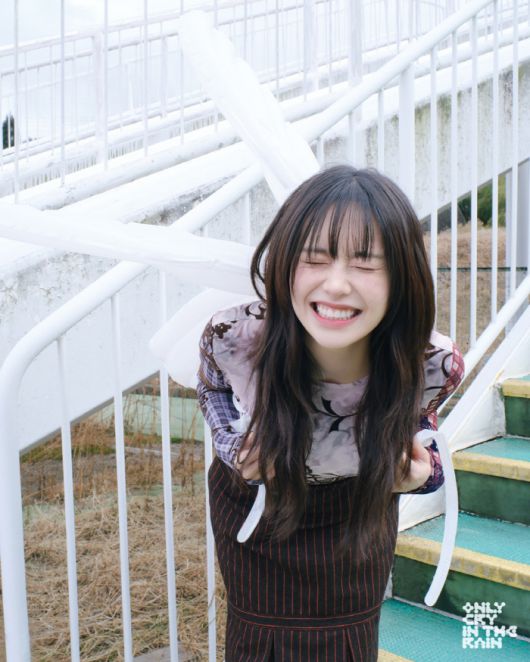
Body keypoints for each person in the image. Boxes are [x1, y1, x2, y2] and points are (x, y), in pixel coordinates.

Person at [196, 165, 464, 661]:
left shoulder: (429, 362)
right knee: (257, 640)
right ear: (283, 264)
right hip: (258, 512)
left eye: (365, 264)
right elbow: (212, 387)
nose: (336, 285)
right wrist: (233, 449)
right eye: (314, 259)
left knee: (348, 642)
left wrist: (425, 474)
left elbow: (417, 425)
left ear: (402, 275)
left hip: (356, 521)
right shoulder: (235, 338)